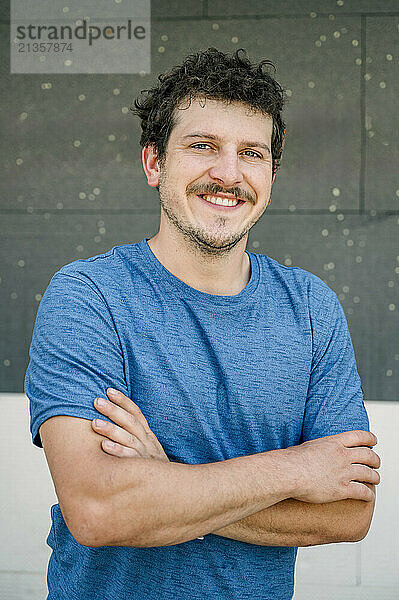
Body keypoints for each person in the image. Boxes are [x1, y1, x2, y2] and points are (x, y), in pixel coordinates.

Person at [25, 47, 380, 600]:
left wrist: (164, 477)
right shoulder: (90, 297)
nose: (229, 173)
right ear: (154, 163)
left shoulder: (312, 309)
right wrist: (294, 470)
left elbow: (349, 514)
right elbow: (98, 509)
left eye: (252, 153)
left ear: (271, 173)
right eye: (202, 146)